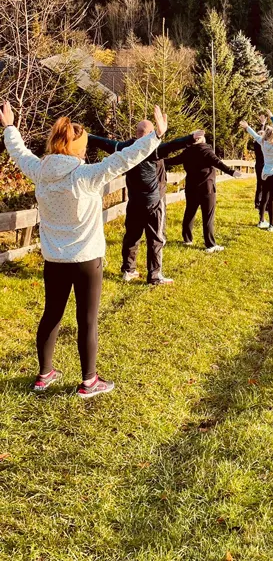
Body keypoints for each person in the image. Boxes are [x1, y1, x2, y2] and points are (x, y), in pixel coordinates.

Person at [0, 100, 167, 399]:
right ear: (79, 149)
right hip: (87, 259)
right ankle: (89, 382)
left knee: (51, 314)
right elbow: (124, 159)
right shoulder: (86, 175)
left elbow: (19, 152)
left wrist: (10, 126)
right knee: (86, 320)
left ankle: (44, 374)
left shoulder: (40, 170)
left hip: (54, 259)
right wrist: (155, 137)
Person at [88, 124, 203, 285]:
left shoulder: (125, 148)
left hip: (134, 201)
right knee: (156, 238)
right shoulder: (151, 148)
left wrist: (87, 136)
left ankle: (129, 270)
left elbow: (104, 142)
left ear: (136, 133)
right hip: (153, 202)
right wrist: (190, 138)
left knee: (132, 236)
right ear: (150, 135)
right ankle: (155, 275)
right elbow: (171, 146)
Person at [164, 131, 243, 252]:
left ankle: (187, 239)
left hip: (191, 187)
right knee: (208, 216)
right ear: (202, 139)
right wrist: (232, 172)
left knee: (190, 213)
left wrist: (157, 160)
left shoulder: (187, 152)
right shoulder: (206, 151)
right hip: (207, 188)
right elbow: (218, 163)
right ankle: (210, 244)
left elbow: (171, 161)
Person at [240, 119, 273, 232]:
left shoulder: (263, 143)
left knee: (264, 198)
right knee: (272, 201)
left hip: (265, 174)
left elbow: (255, 135)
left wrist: (247, 127)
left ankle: (261, 221)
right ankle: (272, 225)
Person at [253, 115, 266, 210]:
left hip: (259, 165)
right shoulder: (261, 144)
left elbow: (259, 135)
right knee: (262, 185)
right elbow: (261, 137)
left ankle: (258, 203)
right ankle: (259, 204)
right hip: (262, 166)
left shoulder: (257, 143)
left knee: (260, 185)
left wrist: (263, 125)